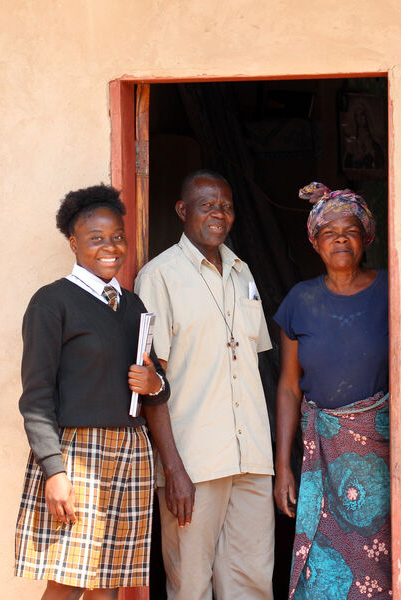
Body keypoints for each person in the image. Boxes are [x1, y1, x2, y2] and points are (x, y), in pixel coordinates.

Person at [14, 185, 170, 600]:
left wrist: (156, 385)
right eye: (96, 238)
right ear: (74, 242)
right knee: (67, 581)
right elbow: (36, 397)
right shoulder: (52, 303)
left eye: (117, 236)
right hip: (77, 456)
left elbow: (151, 383)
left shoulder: (133, 306)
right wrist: (54, 470)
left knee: (110, 582)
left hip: (131, 451)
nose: (110, 247)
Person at [134, 170, 275, 600]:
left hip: (251, 456)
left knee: (252, 583)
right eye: (207, 204)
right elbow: (151, 382)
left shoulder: (243, 274)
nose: (219, 213)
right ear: (182, 211)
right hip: (193, 463)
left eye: (226, 206)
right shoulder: (159, 277)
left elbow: (255, 360)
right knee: (191, 585)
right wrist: (172, 467)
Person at [272, 182, 391, 600]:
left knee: (378, 557)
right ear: (315, 242)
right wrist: (282, 467)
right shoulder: (300, 301)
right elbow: (288, 388)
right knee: (323, 565)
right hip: (319, 453)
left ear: (366, 238)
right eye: (329, 232)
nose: (340, 239)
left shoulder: (391, 291)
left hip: (380, 454)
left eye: (350, 230)